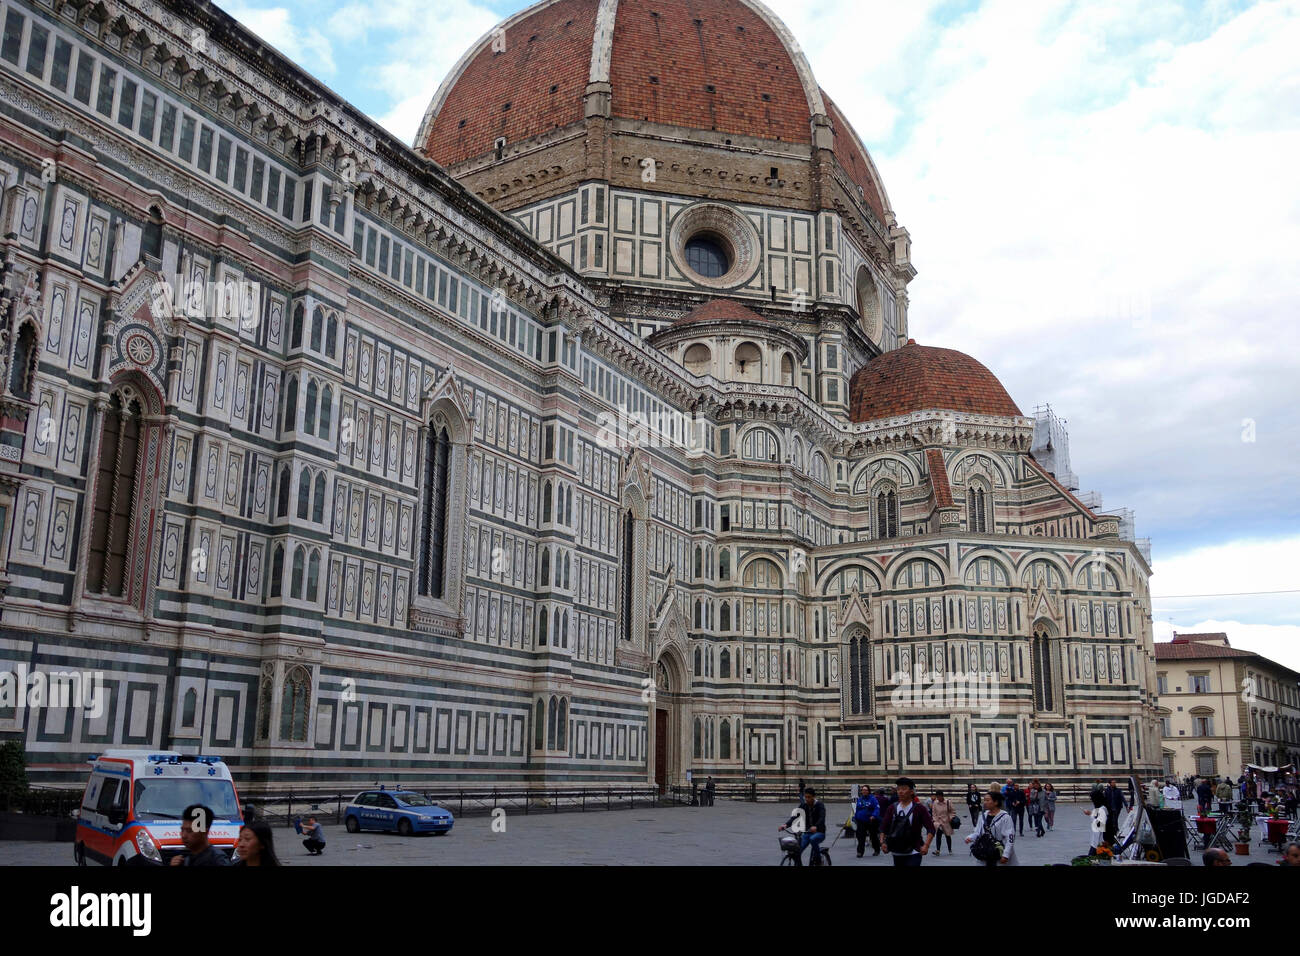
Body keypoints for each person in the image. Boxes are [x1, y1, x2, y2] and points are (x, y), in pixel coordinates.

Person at [879, 776, 935, 866]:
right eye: (898, 789)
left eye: (904, 789)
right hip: (896, 850)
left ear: (911, 791)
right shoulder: (892, 808)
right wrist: (882, 842)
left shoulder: (919, 809)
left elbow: (931, 828)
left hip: (914, 851)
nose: (900, 791)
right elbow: (883, 827)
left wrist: (926, 845)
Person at [778, 787, 827, 866]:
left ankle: (818, 861)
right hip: (807, 832)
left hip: (819, 832)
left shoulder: (820, 805)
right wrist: (786, 825)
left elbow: (822, 818)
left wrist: (816, 826)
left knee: (813, 839)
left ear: (814, 797)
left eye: (809, 797)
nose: (807, 799)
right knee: (797, 850)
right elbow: (795, 816)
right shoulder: (803, 805)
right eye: (805, 797)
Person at [966, 789, 1015, 866]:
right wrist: (970, 837)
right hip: (984, 851)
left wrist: (1006, 855)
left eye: (988, 800)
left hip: (998, 851)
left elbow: (1010, 837)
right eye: (984, 800)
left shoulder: (1005, 817)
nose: (985, 802)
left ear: (996, 802)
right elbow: (977, 832)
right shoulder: (982, 816)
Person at [852, 784, 881, 858]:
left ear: (868, 791)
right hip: (861, 821)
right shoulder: (860, 799)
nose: (864, 791)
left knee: (873, 836)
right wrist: (856, 817)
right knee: (861, 837)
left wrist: (874, 815)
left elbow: (877, 808)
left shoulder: (873, 799)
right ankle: (860, 852)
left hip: (871, 820)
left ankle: (877, 849)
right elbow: (857, 809)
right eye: (863, 790)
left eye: (865, 790)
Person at [930, 790, 955, 856]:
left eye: (938, 797)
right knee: (938, 836)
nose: (937, 798)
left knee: (948, 836)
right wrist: (935, 820)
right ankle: (938, 850)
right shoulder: (935, 803)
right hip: (938, 822)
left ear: (942, 796)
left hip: (946, 821)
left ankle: (950, 849)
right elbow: (933, 813)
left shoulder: (948, 802)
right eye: (937, 797)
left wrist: (951, 817)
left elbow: (953, 811)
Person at [1084, 789, 1108, 856]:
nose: (1092, 801)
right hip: (1095, 840)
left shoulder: (1102, 809)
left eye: (1092, 799)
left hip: (1097, 842)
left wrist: (1090, 814)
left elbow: (1100, 825)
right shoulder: (1100, 808)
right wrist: (1091, 813)